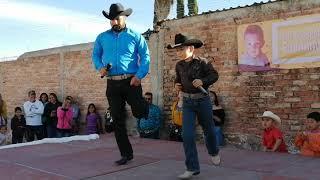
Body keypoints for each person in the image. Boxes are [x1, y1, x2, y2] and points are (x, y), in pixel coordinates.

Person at [92, 3, 150, 165]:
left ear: (124, 17)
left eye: (117, 19)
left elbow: (145, 57)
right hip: (112, 84)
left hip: (131, 81)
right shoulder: (102, 37)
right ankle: (126, 154)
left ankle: (143, 106)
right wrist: (100, 67)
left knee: (139, 112)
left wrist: (139, 76)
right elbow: (96, 55)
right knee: (117, 119)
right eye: (111, 20)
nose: (114, 22)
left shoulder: (135, 36)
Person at [168, 33, 221, 179]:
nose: (178, 53)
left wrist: (203, 81)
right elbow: (178, 81)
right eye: (177, 50)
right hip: (188, 103)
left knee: (209, 130)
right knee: (187, 135)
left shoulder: (203, 62)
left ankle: (214, 151)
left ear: (191, 48)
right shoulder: (178, 65)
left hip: (203, 100)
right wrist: (177, 85)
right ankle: (192, 168)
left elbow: (214, 75)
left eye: (181, 49)